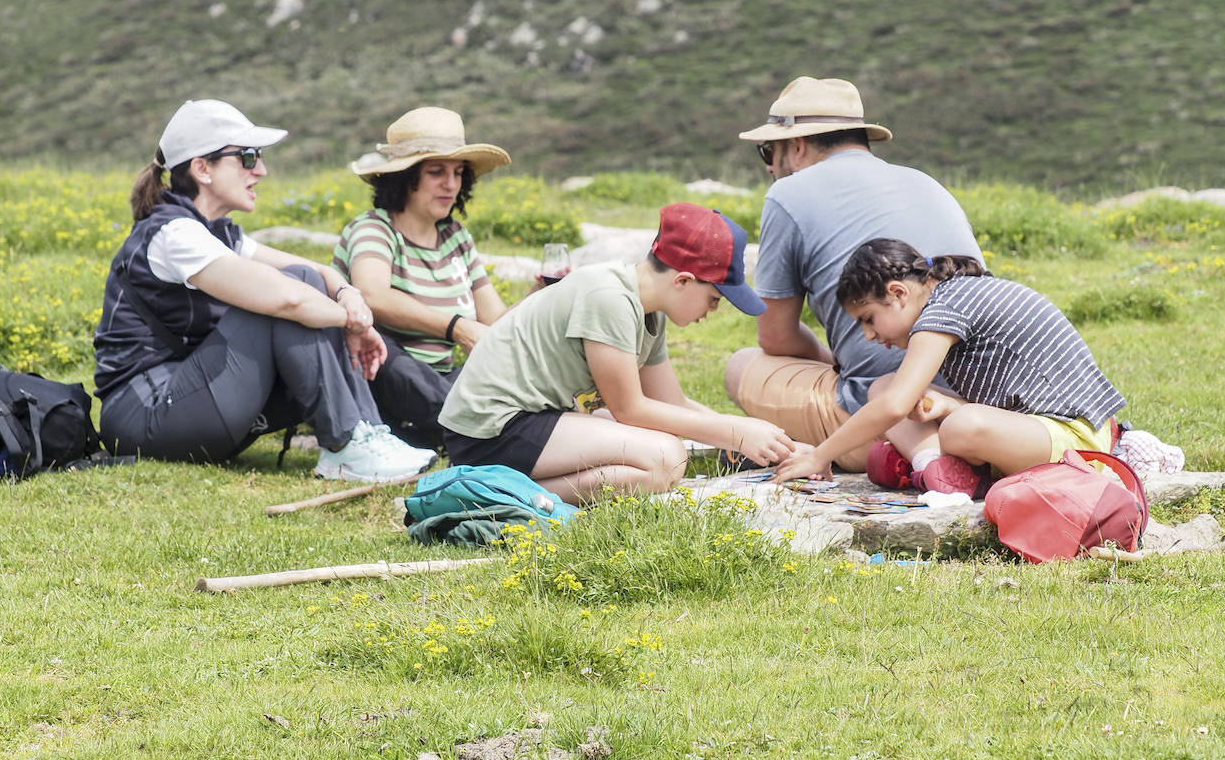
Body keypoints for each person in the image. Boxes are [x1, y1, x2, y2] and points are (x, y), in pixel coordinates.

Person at [93, 99, 435, 481]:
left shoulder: (215, 232)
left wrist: (348, 297)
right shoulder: (174, 235)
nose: (262, 170)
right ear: (202, 168)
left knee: (300, 282)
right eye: (248, 157)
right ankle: (346, 444)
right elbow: (289, 299)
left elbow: (317, 271)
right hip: (144, 414)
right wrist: (353, 324)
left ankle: (363, 435)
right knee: (287, 299)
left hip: (191, 396)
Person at [438, 203, 797, 506]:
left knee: (659, 461)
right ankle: (487, 494)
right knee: (666, 459)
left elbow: (672, 404)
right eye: (715, 298)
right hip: (491, 430)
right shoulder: (609, 298)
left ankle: (503, 489)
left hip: (532, 420)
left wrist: (775, 444)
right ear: (683, 280)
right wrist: (735, 431)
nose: (714, 311)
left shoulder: (649, 309)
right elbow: (631, 410)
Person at [724, 76, 982, 471]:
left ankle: (892, 448)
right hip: (974, 400)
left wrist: (835, 362)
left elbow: (775, 337)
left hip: (883, 410)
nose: (769, 169)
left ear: (797, 146)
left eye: (767, 153)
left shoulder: (788, 194)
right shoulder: (926, 182)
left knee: (740, 365)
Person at [774, 238, 1127, 497]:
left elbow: (896, 406)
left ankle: (968, 475)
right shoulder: (949, 296)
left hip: (1077, 438)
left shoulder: (944, 309)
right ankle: (935, 467)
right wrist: (948, 403)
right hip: (1032, 425)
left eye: (868, 319)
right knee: (882, 386)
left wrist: (821, 455)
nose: (868, 335)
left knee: (957, 426)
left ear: (898, 293)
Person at [334, 106, 529, 450]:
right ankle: (477, 427)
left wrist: (542, 294)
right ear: (405, 177)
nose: (450, 184)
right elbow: (373, 295)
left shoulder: (456, 236)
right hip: (381, 370)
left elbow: (495, 321)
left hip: (438, 378)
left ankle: (451, 428)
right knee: (393, 357)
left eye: (458, 173)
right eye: (436, 172)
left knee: (467, 388)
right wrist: (456, 327)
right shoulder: (374, 229)